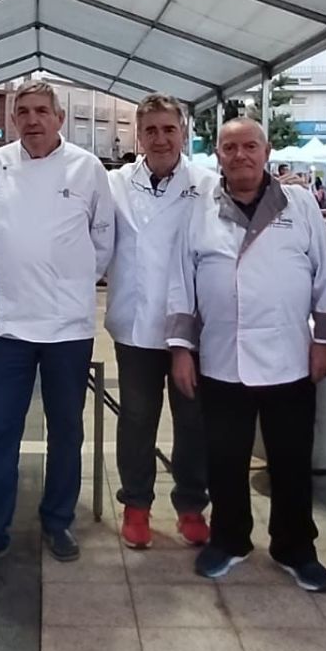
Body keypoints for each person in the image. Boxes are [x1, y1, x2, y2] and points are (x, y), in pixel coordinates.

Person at [167, 117, 326, 590]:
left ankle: (295, 547)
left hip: (289, 357)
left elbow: (325, 275)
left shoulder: (299, 204)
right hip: (222, 359)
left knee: (290, 459)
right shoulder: (199, 208)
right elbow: (181, 281)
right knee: (224, 458)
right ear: (217, 155)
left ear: (266, 151)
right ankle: (230, 539)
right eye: (229, 147)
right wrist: (182, 349)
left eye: (249, 146)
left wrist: (323, 341)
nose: (239, 155)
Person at [0, 82, 115, 578]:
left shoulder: (88, 169)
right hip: (7, 327)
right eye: (22, 112)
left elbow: (103, 239)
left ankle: (58, 520)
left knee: (66, 430)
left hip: (68, 326)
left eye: (41, 111)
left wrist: (71, 283)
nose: (31, 120)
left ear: (59, 117)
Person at [105, 93, 214, 550]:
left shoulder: (207, 184)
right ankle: (136, 506)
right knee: (136, 419)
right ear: (138, 135)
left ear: (183, 133)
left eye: (169, 129)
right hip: (134, 324)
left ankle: (191, 506)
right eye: (151, 130)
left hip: (191, 327)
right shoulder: (113, 182)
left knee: (193, 421)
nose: (160, 138)